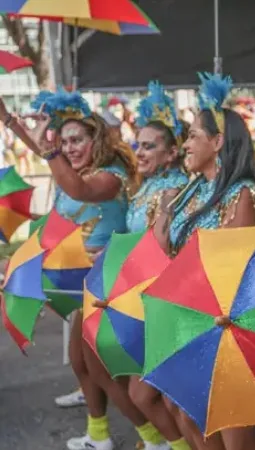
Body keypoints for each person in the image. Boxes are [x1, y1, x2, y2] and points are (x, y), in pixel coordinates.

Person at [0, 91, 175, 450]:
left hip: (115, 284)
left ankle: (156, 438)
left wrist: (50, 151)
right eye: (64, 142)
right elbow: (47, 155)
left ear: (97, 139)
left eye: (77, 140)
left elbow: (78, 189)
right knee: (82, 364)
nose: (69, 148)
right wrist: (8, 120)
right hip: (87, 281)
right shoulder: (72, 168)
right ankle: (101, 434)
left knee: (104, 369)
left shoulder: (111, 176)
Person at [154, 72, 255, 450]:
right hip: (192, 315)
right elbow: (163, 249)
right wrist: (165, 212)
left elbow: (233, 268)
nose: (185, 144)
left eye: (193, 136)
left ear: (218, 142)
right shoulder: (194, 191)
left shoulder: (243, 194)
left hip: (228, 323)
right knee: (186, 412)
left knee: (232, 428)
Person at [126, 81, 193, 450]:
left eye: (149, 146)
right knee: (152, 395)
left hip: (169, 301)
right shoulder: (147, 186)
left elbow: (164, 248)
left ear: (172, 153)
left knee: (161, 396)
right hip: (142, 295)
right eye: (138, 144)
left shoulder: (175, 189)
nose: (139, 152)